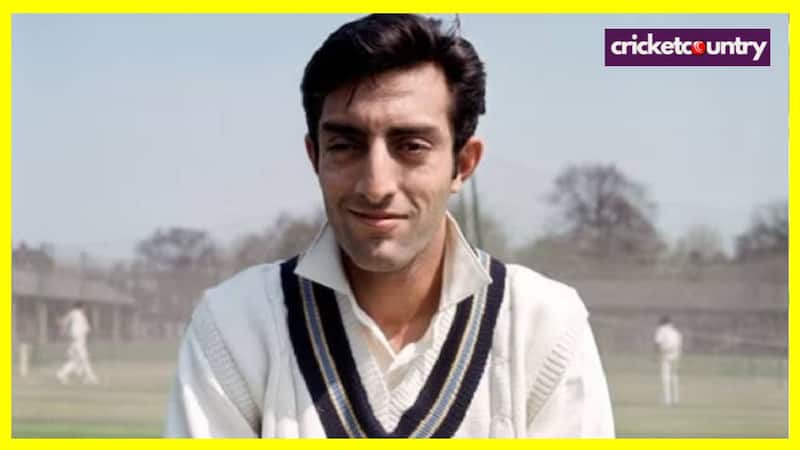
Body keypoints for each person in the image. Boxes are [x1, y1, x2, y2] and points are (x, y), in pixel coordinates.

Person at [164, 14, 614, 438]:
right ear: (315, 156)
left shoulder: (542, 325)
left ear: (462, 163)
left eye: (411, 145)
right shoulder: (236, 326)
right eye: (345, 145)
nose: (376, 185)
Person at [56, 301, 99, 385]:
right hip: (78, 342)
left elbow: (85, 329)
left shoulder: (79, 316)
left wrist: (62, 325)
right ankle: (91, 378)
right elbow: (67, 322)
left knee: (75, 362)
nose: (85, 309)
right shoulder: (76, 313)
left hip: (77, 342)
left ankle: (61, 374)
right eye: (84, 307)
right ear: (81, 307)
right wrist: (63, 326)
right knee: (84, 360)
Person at [653, 315, 682, 406]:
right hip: (676, 355)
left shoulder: (661, 330)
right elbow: (679, 343)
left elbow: (658, 342)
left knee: (665, 377)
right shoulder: (675, 331)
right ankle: (676, 399)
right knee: (675, 377)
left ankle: (667, 400)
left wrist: (657, 355)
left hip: (666, 354)